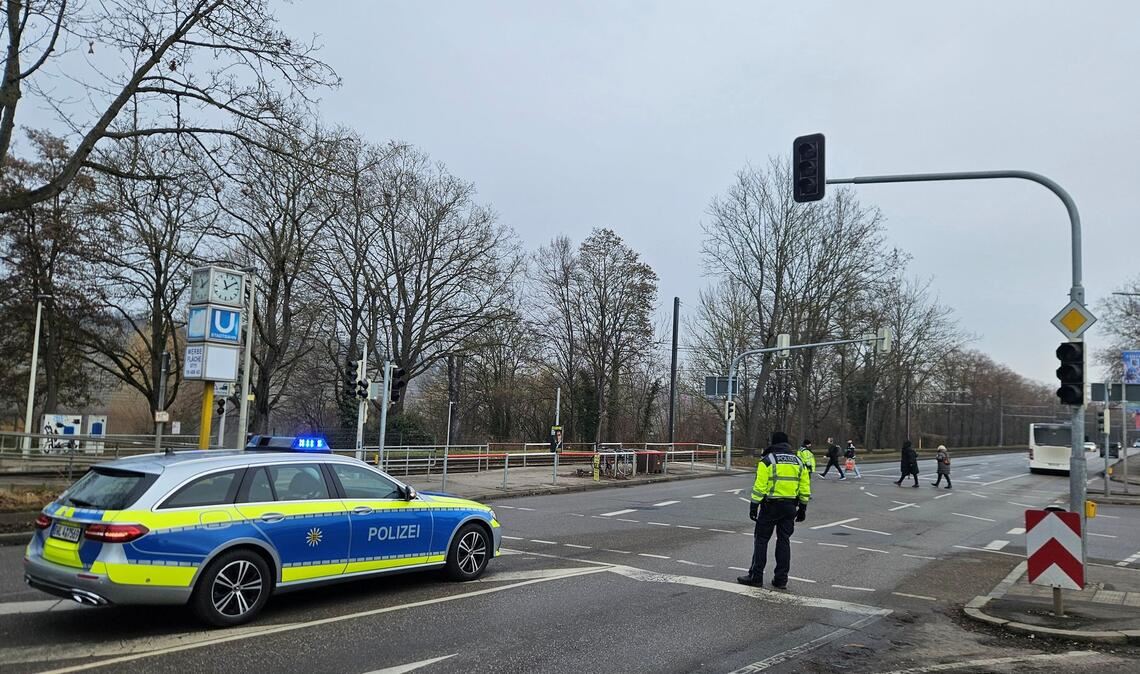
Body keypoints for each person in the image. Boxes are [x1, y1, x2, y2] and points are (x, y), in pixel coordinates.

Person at [738, 431, 811, 589]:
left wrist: (754, 505)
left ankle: (756, 577)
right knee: (784, 541)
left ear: (773, 443)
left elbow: (760, 486)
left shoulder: (768, 460)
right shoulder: (798, 461)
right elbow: (805, 486)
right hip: (790, 507)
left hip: (770, 507)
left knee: (761, 540)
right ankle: (781, 579)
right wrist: (803, 507)